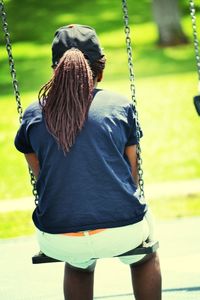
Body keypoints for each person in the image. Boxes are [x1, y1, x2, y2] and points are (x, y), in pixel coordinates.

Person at [14, 24, 161, 300]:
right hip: (121, 231)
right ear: (100, 69)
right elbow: (132, 175)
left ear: (55, 70)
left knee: (79, 263)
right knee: (145, 255)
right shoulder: (119, 106)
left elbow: (41, 175)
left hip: (58, 236)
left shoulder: (34, 113)